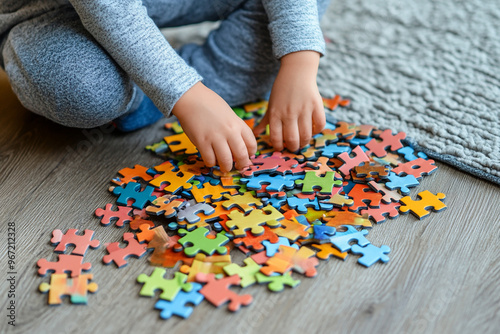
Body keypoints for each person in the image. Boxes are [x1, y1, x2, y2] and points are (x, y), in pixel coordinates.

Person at [0, 0, 330, 172]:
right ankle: (148, 90)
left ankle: (155, 72)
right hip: (42, 13)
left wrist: (299, 59)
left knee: (291, 21)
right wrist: (186, 94)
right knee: (79, 88)